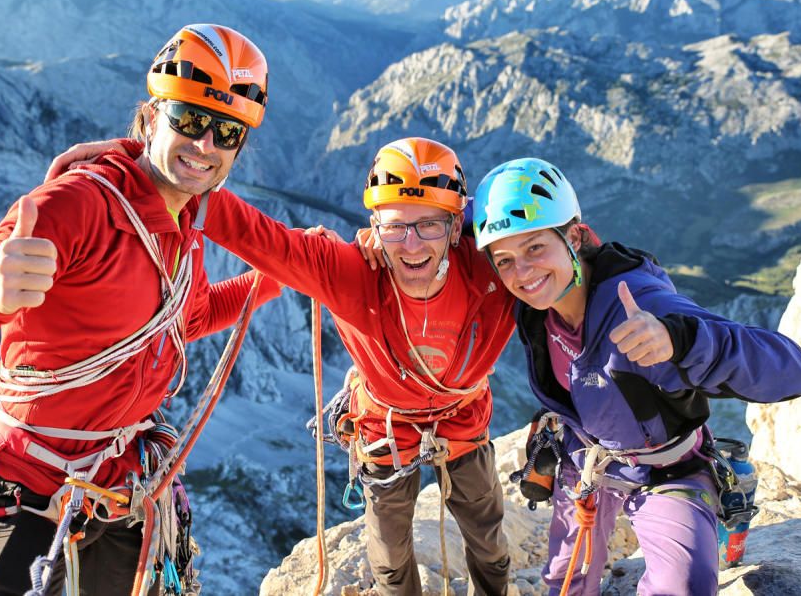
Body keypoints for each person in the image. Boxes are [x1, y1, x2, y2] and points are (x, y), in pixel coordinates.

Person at [0, 24, 284, 596]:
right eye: (191, 120)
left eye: (226, 132)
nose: (205, 145)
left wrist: (281, 277)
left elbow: (187, 318)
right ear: (152, 118)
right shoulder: (76, 205)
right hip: (31, 490)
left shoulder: (186, 228)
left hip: (124, 490)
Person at [51, 136, 515, 595]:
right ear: (374, 224)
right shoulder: (349, 271)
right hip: (386, 429)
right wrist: (143, 157)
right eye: (395, 226)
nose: (410, 245)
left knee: (488, 540)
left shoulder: (495, 269)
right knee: (391, 561)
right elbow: (244, 228)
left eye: (429, 226)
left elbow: (560, 250)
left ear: (457, 229)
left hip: (461, 420)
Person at [470, 157, 801, 596]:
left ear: (574, 236)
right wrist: (386, 232)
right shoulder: (537, 312)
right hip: (586, 462)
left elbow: (794, 371)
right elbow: (444, 226)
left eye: (536, 248)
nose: (522, 273)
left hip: (666, 472)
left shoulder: (644, 302)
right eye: (504, 260)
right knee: (564, 581)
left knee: (683, 588)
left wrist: (681, 341)